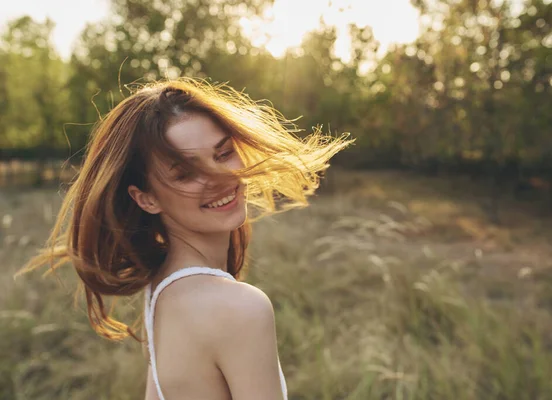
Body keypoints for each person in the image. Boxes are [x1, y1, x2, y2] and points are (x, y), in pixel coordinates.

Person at [17, 78, 352, 400]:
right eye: (186, 173)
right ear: (146, 198)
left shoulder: (162, 288)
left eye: (223, 154)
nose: (221, 177)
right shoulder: (240, 309)